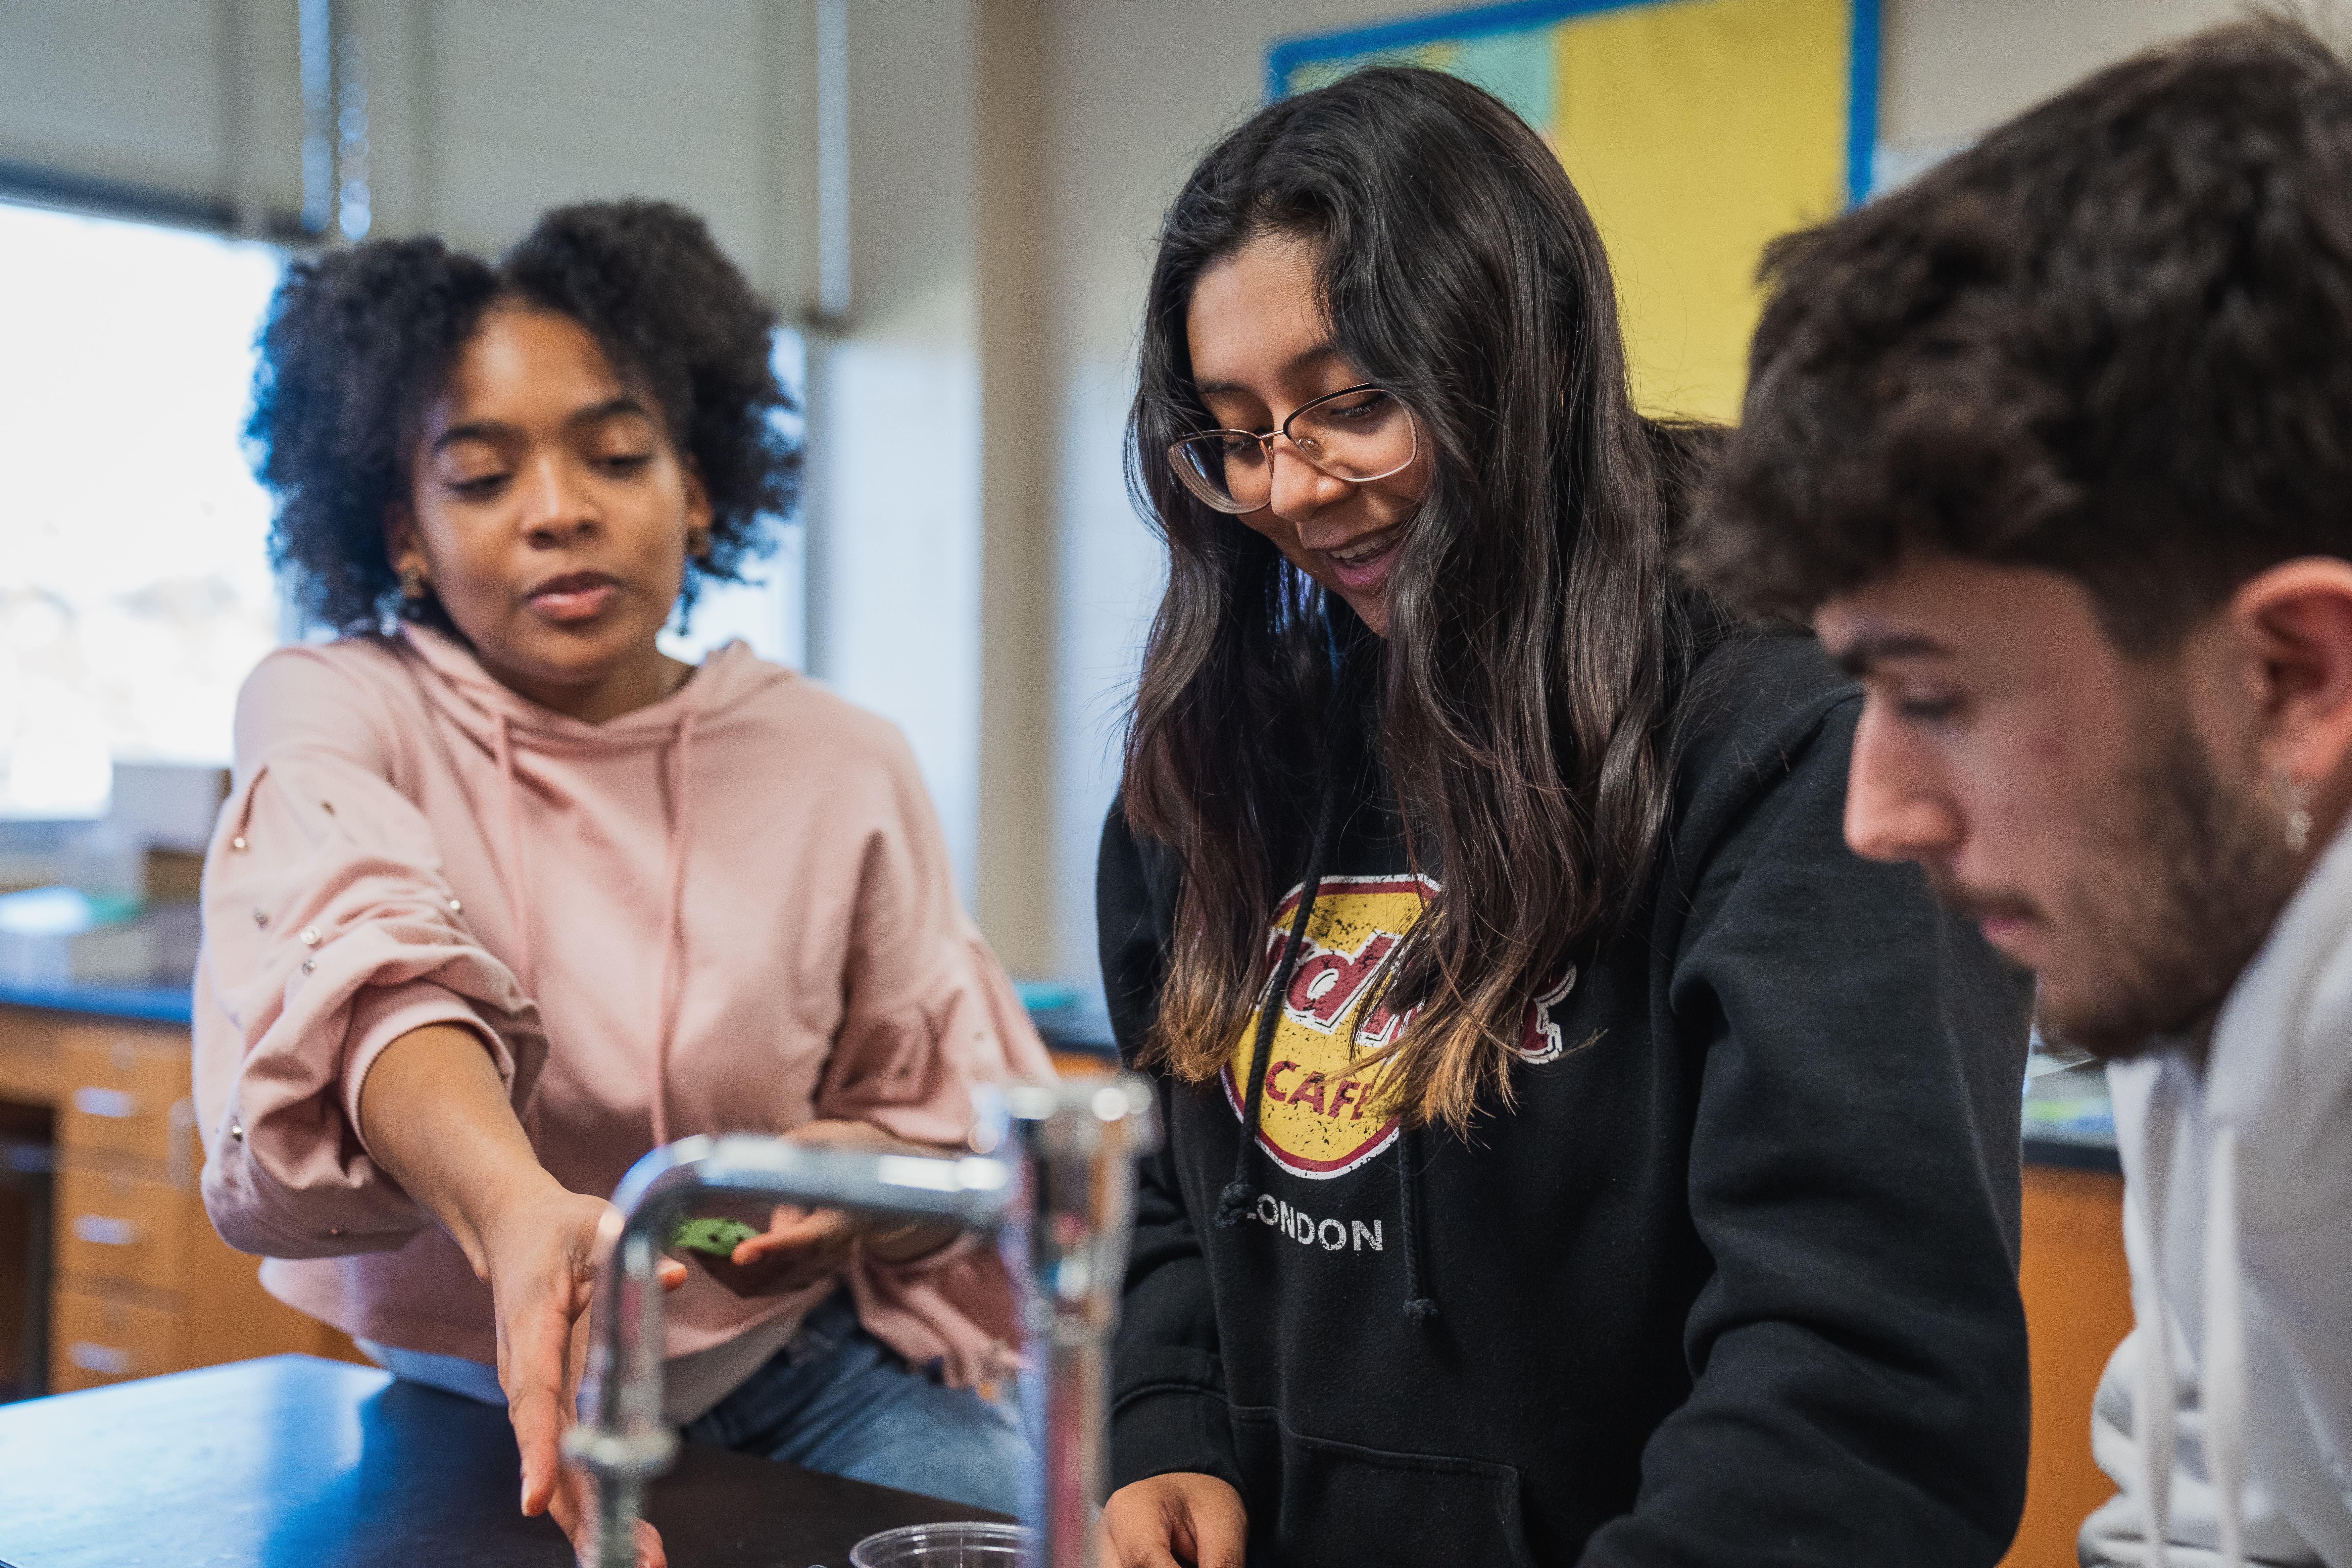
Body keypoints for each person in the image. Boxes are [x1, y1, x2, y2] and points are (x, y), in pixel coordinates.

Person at [1094, 67, 2036, 1568]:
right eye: (1236, 432)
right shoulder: (1229, 748)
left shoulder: (1795, 739)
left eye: (1352, 405)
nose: (1292, 488)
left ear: (1514, 357)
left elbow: (1870, 1388)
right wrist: (1164, 1412)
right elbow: (1168, 1157)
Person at [197, 201, 1051, 1566]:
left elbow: (927, 1109)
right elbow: (363, 962)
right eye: (480, 476)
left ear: (699, 485)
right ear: (400, 528)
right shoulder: (334, 709)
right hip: (463, 1405)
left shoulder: (842, 760)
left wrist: (835, 1182)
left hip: (794, 1382)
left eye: (616, 454)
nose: (559, 512)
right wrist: (516, 1209)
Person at [1687, 18, 2352, 1566]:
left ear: (2295, 680)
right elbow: (2215, 1521)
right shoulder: (2213, 926)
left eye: (1937, 698)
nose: (1877, 815)